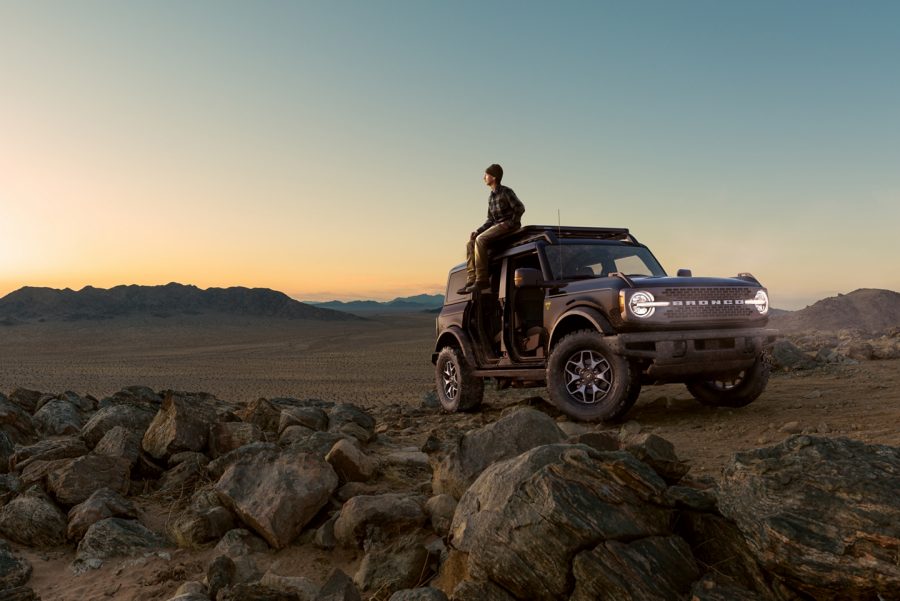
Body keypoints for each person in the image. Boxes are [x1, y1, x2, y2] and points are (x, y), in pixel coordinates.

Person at [458, 164, 525, 294]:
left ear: (494, 177)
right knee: (471, 243)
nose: (484, 177)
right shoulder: (491, 197)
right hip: (496, 226)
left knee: (481, 240)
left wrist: (511, 223)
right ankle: (472, 280)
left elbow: (520, 208)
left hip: (508, 226)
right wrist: (478, 231)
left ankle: (482, 280)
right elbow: (490, 220)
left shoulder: (506, 192)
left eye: (486, 174)